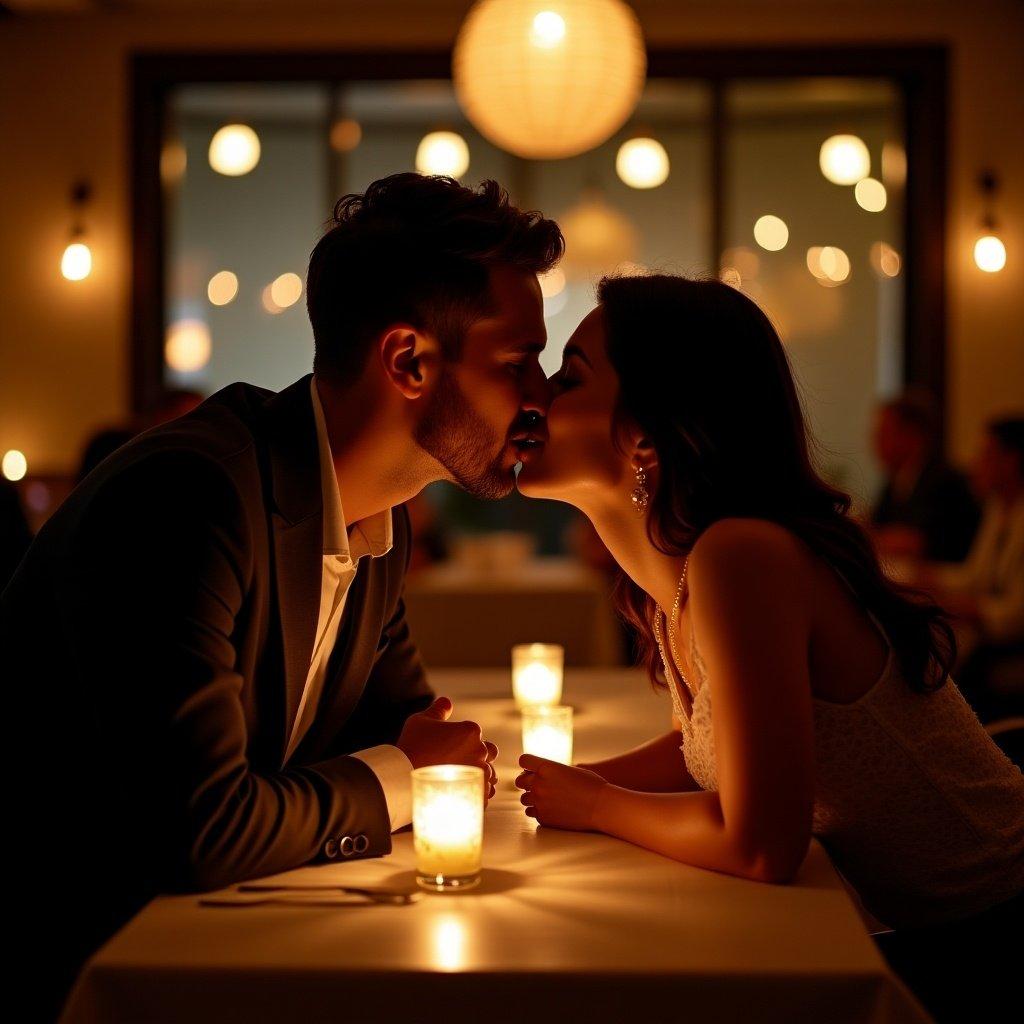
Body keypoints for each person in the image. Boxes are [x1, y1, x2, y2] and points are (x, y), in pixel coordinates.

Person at [1, 172, 562, 1018]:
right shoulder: (190, 497)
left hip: (215, 944)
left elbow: (419, 739)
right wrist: (406, 774)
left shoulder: (378, 521)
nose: (543, 398)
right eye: (520, 363)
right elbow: (205, 830)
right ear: (408, 359)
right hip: (80, 962)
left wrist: (410, 767)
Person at [513, 274, 1024, 1022]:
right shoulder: (686, 577)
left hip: (992, 940)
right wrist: (568, 779)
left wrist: (597, 803)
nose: (540, 396)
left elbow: (761, 844)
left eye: (571, 375)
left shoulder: (740, 557)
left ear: (646, 432)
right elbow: (711, 745)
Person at [922, 417, 1024, 720]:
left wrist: (970, 609)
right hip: (994, 638)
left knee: (941, 663)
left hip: (1013, 647)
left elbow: (1015, 616)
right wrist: (928, 576)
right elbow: (974, 576)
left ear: (1011, 461)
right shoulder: (999, 508)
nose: (975, 462)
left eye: (986, 454)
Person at [869, 390, 979, 563]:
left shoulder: (946, 482)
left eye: (884, 433)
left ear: (912, 435)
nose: (875, 441)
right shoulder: (895, 482)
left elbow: (926, 542)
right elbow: (876, 529)